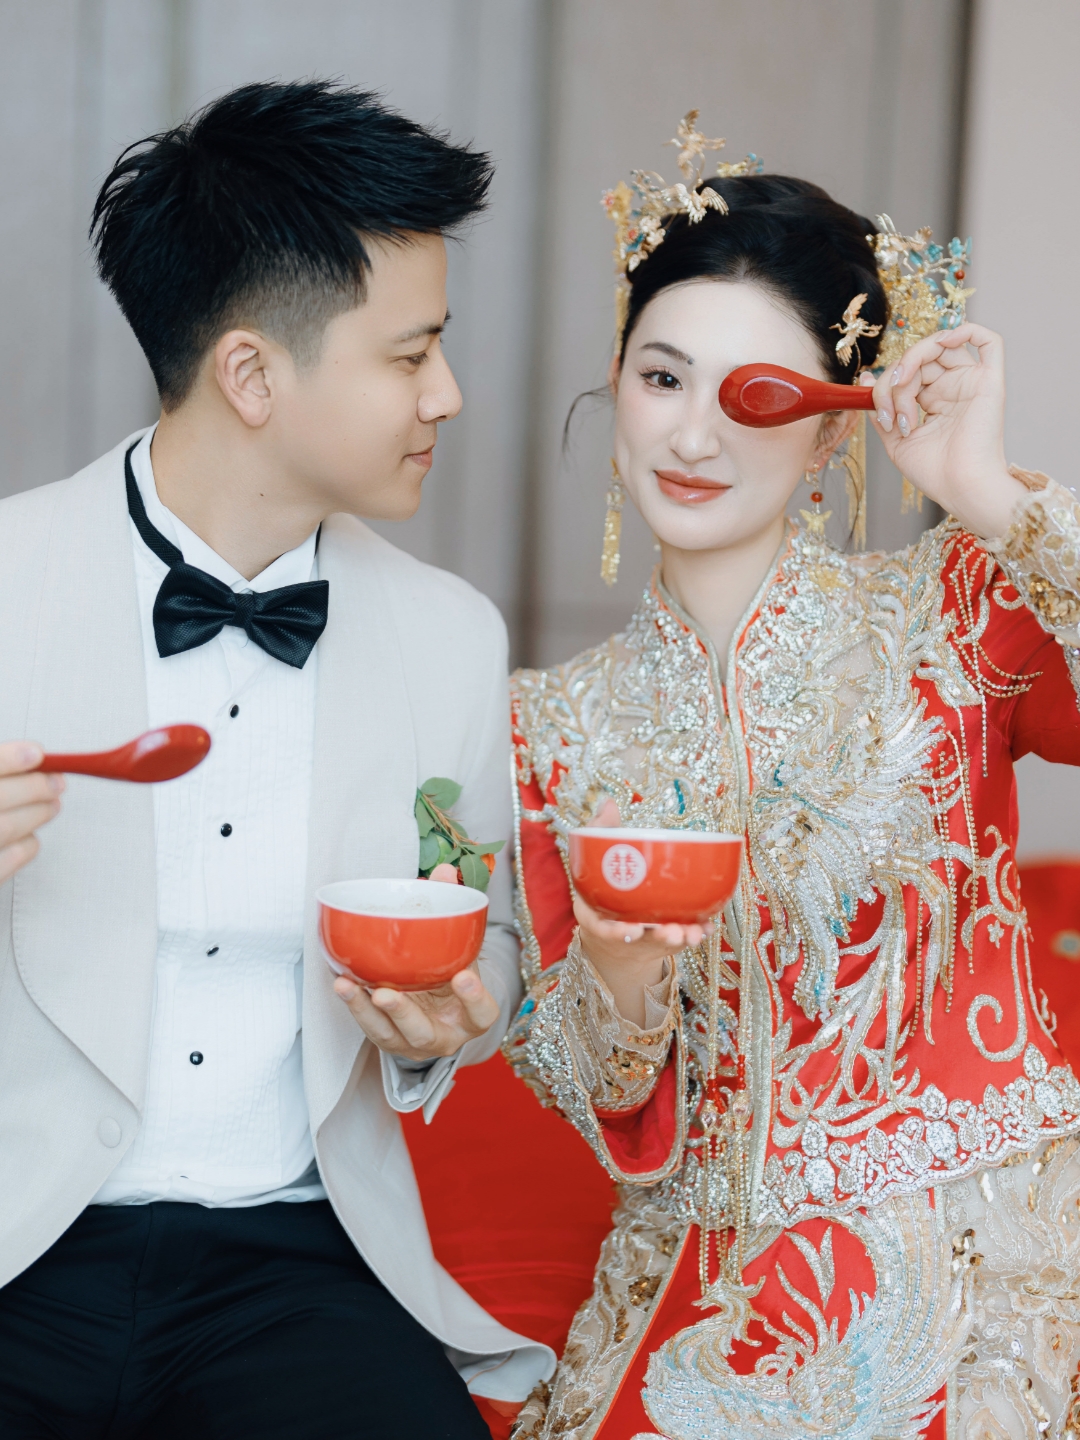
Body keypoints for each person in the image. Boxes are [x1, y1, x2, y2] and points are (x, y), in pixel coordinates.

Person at [504, 113, 1080, 1440]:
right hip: (698, 1269)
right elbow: (591, 1084)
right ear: (616, 382)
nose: (692, 436)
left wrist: (985, 490)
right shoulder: (553, 725)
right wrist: (622, 974)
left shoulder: (955, 610)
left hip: (981, 1252)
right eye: (662, 378)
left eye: (753, 395)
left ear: (829, 436)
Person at [0, 81, 553, 1437]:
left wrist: (451, 1020)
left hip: (297, 1261)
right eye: (410, 355)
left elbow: (488, 939)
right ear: (252, 375)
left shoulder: (449, 639)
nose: (448, 395)